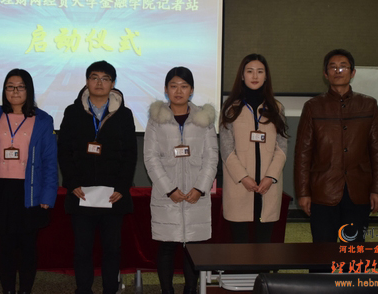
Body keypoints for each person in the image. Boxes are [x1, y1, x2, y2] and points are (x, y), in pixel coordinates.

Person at [0, 68, 58, 294]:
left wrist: (48, 195)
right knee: (5, 248)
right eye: (10, 87)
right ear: (4, 90)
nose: (15, 91)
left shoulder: (43, 120)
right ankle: (8, 290)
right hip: (0, 191)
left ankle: (25, 290)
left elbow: (50, 162)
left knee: (28, 247)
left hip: (30, 191)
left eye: (20, 87)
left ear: (29, 90)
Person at [57, 60, 137, 294]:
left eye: (105, 78)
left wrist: (122, 186)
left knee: (112, 249)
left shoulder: (124, 114)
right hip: (82, 193)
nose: (99, 83)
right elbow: (64, 150)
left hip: (113, 195)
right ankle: (83, 290)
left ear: (113, 83)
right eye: (94, 77)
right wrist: (72, 183)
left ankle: (110, 289)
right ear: (86, 81)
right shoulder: (73, 112)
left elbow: (130, 153)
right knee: (82, 249)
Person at [294, 49, 378, 243]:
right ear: (325, 73)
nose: (338, 71)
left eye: (343, 67)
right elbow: (303, 154)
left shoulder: (368, 105)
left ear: (352, 73)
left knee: (353, 251)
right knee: (322, 252)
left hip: (359, 190)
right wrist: (303, 193)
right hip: (323, 190)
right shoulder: (313, 106)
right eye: (333, 67)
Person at [144, 66, 218, 294]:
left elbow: (212, 157)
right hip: (167, 196)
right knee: (167, 247)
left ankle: (190, 290)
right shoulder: (156, 119)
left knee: (193, 249)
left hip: (196, 194)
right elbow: (150, 158)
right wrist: (169, 189)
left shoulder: (204, 119)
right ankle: (167, 291)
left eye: (184, 86)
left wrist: (200, 188)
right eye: (173, 86)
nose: (178, 91)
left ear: (191, 90)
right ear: (166, 89)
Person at [219, 54, 288, 244]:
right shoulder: (230, 108)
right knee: (240, 247)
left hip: (268, 186)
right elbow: (226, 149)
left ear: (266, 76)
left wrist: (270, 176)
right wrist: (244, 177)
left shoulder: (276, 108)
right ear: (242, 76)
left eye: (260, 71)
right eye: (250, 71)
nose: (255, 76)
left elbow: (282, 147)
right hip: (240, 185)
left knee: (263, 246)